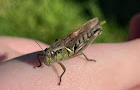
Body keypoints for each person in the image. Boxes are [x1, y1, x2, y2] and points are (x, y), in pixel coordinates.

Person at [0, 14, 140, 90]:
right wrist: (40, 62)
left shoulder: (63, 58)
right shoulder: (45, 54)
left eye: (51, 54)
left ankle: (95, 30)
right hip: (64, 45)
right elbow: (40, 55)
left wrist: (60, 79)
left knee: (82, 47)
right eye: (48, 53)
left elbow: (64, 70)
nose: (47, 57)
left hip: (73, 47)